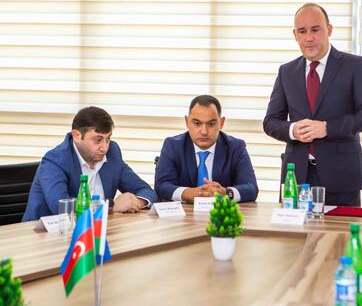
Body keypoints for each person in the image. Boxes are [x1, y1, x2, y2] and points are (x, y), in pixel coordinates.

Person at [263, 3, 362, 206]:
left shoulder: (354, 65)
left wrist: (327, 128)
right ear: (295, 35)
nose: (309, 37)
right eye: (302, 31)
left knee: (340, 228)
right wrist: (292, 130)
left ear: (329, 29)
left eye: (315, 30)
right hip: (296, 178)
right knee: (293, 229)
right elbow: (271, 122)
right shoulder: (286, 72)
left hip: (341, 177)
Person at [22, 106, 157, 221]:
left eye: (108, 139)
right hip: (44, 235)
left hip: (96, 231)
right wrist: (111, 206)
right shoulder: (55, 160)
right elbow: (61, 207)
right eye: (98, 140)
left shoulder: (112, 153)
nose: (104, 148)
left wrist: (136, 202)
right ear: (77, 136)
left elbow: (146, 191)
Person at [154, 95, 258, 203]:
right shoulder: (172, 146)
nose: (204, 131)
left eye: (211, 124)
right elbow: (161, 186)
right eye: (197, 123)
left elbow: (251, 188)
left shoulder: (236, 147)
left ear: (221, 123)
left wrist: (225, 193)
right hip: (184, 212)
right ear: (187, 121)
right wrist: (189, 193)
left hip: (221, 212)